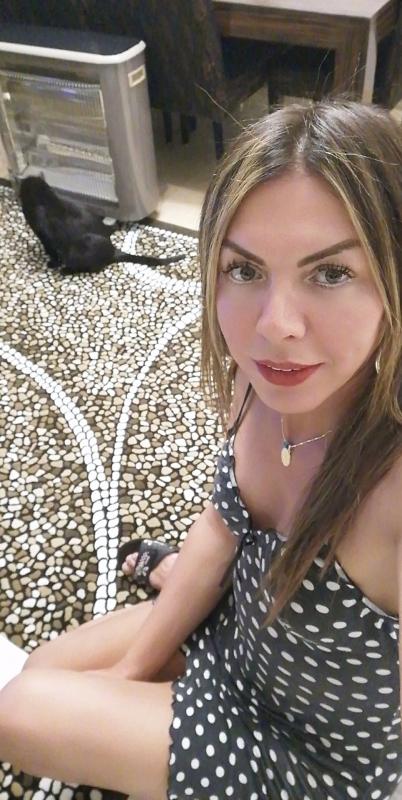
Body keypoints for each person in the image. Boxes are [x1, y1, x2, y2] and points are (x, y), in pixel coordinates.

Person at [0, 99, 401, 800]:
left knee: (18, 712)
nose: (274, 326)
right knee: (41, 673)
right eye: (245, 270)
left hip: (306, 758)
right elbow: (222, 526)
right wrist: (128, 678)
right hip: (235, 636)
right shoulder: (261, 384)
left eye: (331, 273)